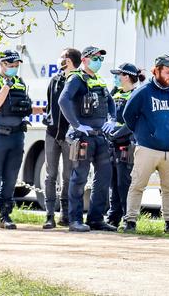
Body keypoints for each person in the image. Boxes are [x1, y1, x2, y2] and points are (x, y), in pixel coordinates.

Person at [122, 54, 169, 235]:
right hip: (147, 148)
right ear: (156, 71)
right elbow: (128, 116)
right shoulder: (144, 91)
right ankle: (131, 221)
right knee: (137, 185)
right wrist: (143, 134)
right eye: (167, 72)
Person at [58, 46, 117, 232]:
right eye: (95, 58)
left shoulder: (98, 79)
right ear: (84, 60)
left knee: (104, 178)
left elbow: (110, 101)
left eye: (100, 58)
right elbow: (63, 100)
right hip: (83, 136)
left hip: (100, 136)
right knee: (79, 178)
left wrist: (112, 119)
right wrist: (76, 125)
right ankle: (75, 220)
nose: (99, 61)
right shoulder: (76, 78)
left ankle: (96, 219)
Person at [0, 50, 42, 230]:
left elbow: (24, 107)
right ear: (2, 64)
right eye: (10, 65)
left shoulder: (20, 83)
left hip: (17, 136)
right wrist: (6, 86)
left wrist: (43, 111)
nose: (14, 68)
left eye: (16, 65)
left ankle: (5, 216)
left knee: (10, 179)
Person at [42, 48, 81, 229]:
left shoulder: (78, 80)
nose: (60, 59)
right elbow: (50, 105)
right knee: (51, 174)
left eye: (63, 56)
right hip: (52, 133)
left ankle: (65, 213)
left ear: (70, 60)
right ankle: (49, 215)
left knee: (68, 175)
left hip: (69, 135)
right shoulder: (55, 80)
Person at [105, 63, 145, 228]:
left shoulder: (136, 94)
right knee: (112, 181)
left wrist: (118, 133)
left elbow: (134, 121)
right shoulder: (115, 93)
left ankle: (128, 218)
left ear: (127, 77)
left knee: (124, 182)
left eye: (118, 75)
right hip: (111, 143)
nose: (116, 77)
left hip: (126, 143)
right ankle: (113, 217)